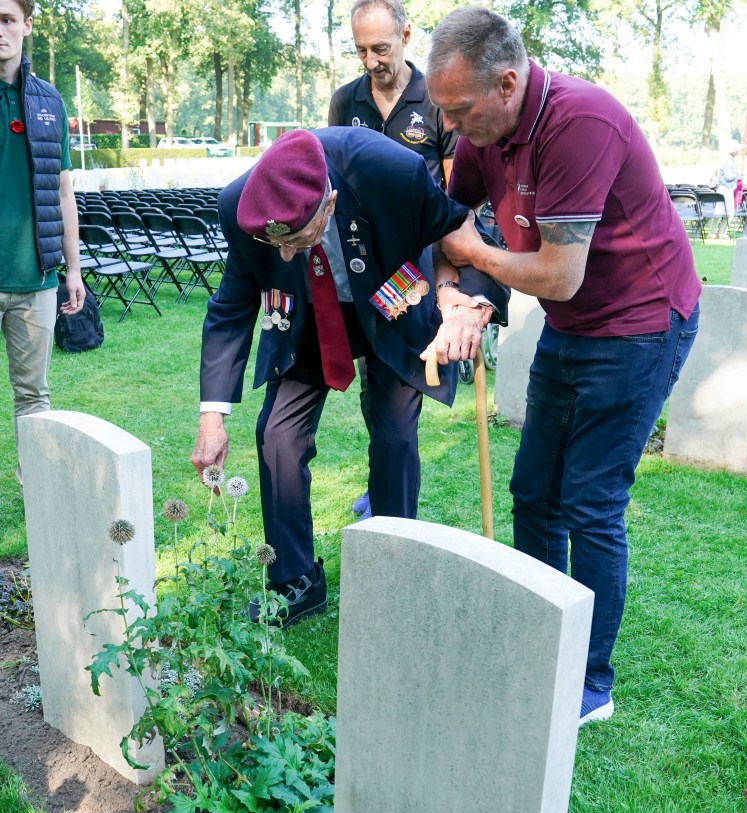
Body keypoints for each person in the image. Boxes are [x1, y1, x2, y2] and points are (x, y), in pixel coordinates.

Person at [424, 5, 701, 725]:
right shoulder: (486, 129)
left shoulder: (581, 122)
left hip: (640, 324)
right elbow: (444, 222)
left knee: (590, 501)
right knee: (532, 491)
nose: (449, 128)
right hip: (574, 328)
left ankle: (588, 683)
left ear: (507, 83)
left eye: (457, 111)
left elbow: (557, 276)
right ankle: (543, 637)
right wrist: (453, 293)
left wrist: (471, 255)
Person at [190, 128, 506, 628]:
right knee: (276, 435)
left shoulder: (390, 171)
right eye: (278, 244)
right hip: (310, 319)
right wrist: (211, 418)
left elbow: (463, 234)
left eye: (298, 239)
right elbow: (230, 308)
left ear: (329, 203)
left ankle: (394, 559)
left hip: (394, 300)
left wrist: (471, 303)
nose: (286, 255)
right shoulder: (240, 205)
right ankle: (295, 580)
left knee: (395, 432)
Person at [329, 0, 458, 520]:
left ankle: (394, 515)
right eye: (361, 50)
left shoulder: (437, 102)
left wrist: (454, 280)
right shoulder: (346, 101)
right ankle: (382, 484)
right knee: (374, 383)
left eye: (381, 48)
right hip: (362, 272)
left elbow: (457, 196)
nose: (371, 61)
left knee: (401, 388)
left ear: (406, 35)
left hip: (413, 272)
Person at [0, 0, 84, 483]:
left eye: (8, 19)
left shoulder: (49, 100)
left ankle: (38, 489)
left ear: (27, 26)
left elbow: (63, 189)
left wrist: (72, 271)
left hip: (36, 279)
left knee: (33, 395)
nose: (1, 30)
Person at [711, 139, 741, 235]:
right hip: (726, 188)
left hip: (724, 188)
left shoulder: (728, 160)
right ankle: (722, 233)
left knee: (720, 211)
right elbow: (728, 177)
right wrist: (737, 174)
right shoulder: (728, 161)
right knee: (729, 212)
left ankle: (714, 232)